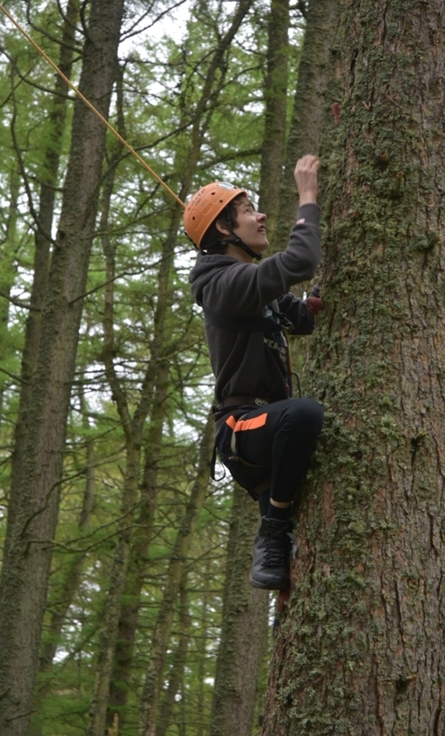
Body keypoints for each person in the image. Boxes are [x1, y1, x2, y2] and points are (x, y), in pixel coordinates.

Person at [184, 155, 324, 590]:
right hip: (244, 427)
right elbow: (298, 263)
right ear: (224, 229)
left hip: (271, 433)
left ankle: (276, 541)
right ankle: (271, 529)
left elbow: (301, 318)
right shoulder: (225, 285)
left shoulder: (250, 286)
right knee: (305, 413)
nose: (261, 216)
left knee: (285, 576)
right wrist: (308, 196)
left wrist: (315, 302)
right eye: (248, 211)